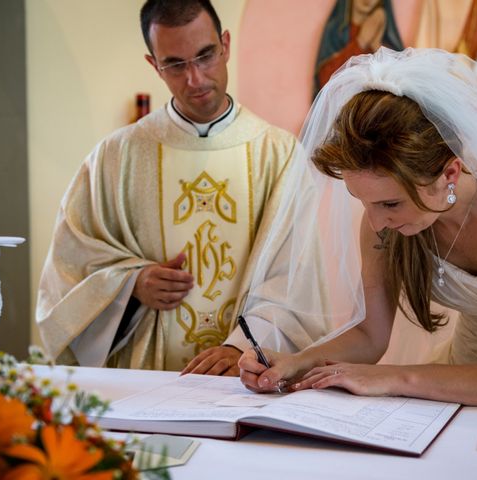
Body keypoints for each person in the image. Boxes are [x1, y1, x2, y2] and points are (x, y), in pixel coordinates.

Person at [239, 48, 477, 406]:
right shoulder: (383, 223)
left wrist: (391, 379)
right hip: (464, 380)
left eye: (390, 203)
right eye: (364, 202)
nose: (376, 223)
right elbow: (370, 336)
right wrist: (297, 362)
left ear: (450, 172)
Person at [36, 0, 330, 373]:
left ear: (225, 45)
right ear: (153, 65)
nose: (195, 79)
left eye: (205, 56)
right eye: (175, 64)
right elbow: (69, 267)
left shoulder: (280, 154)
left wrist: (242, 345)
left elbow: (297, 277)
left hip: (243, 375)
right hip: (143, 376)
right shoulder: (116, 157)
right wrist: (130, 285)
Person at [314, 0, 404, 98]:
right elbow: (325, 81)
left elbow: (400, 83)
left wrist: (376, 45)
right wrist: (361, 41)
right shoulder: (334, 31)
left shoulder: (387, 40)